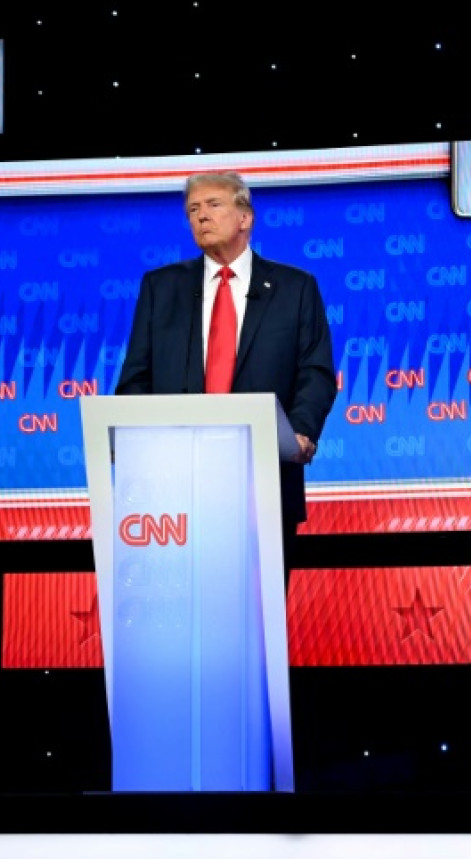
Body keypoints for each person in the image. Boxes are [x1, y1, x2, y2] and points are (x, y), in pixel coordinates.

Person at [115, 170, 338, 585]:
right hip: (173, 492)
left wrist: (301, 432)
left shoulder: (295, 288)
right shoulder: (160, 287)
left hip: (265, 481)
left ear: (245, 218)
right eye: (193, 210)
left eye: (213, 205)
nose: (201, 217)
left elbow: (316, 371)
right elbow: (135, 380)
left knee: (260, 615)